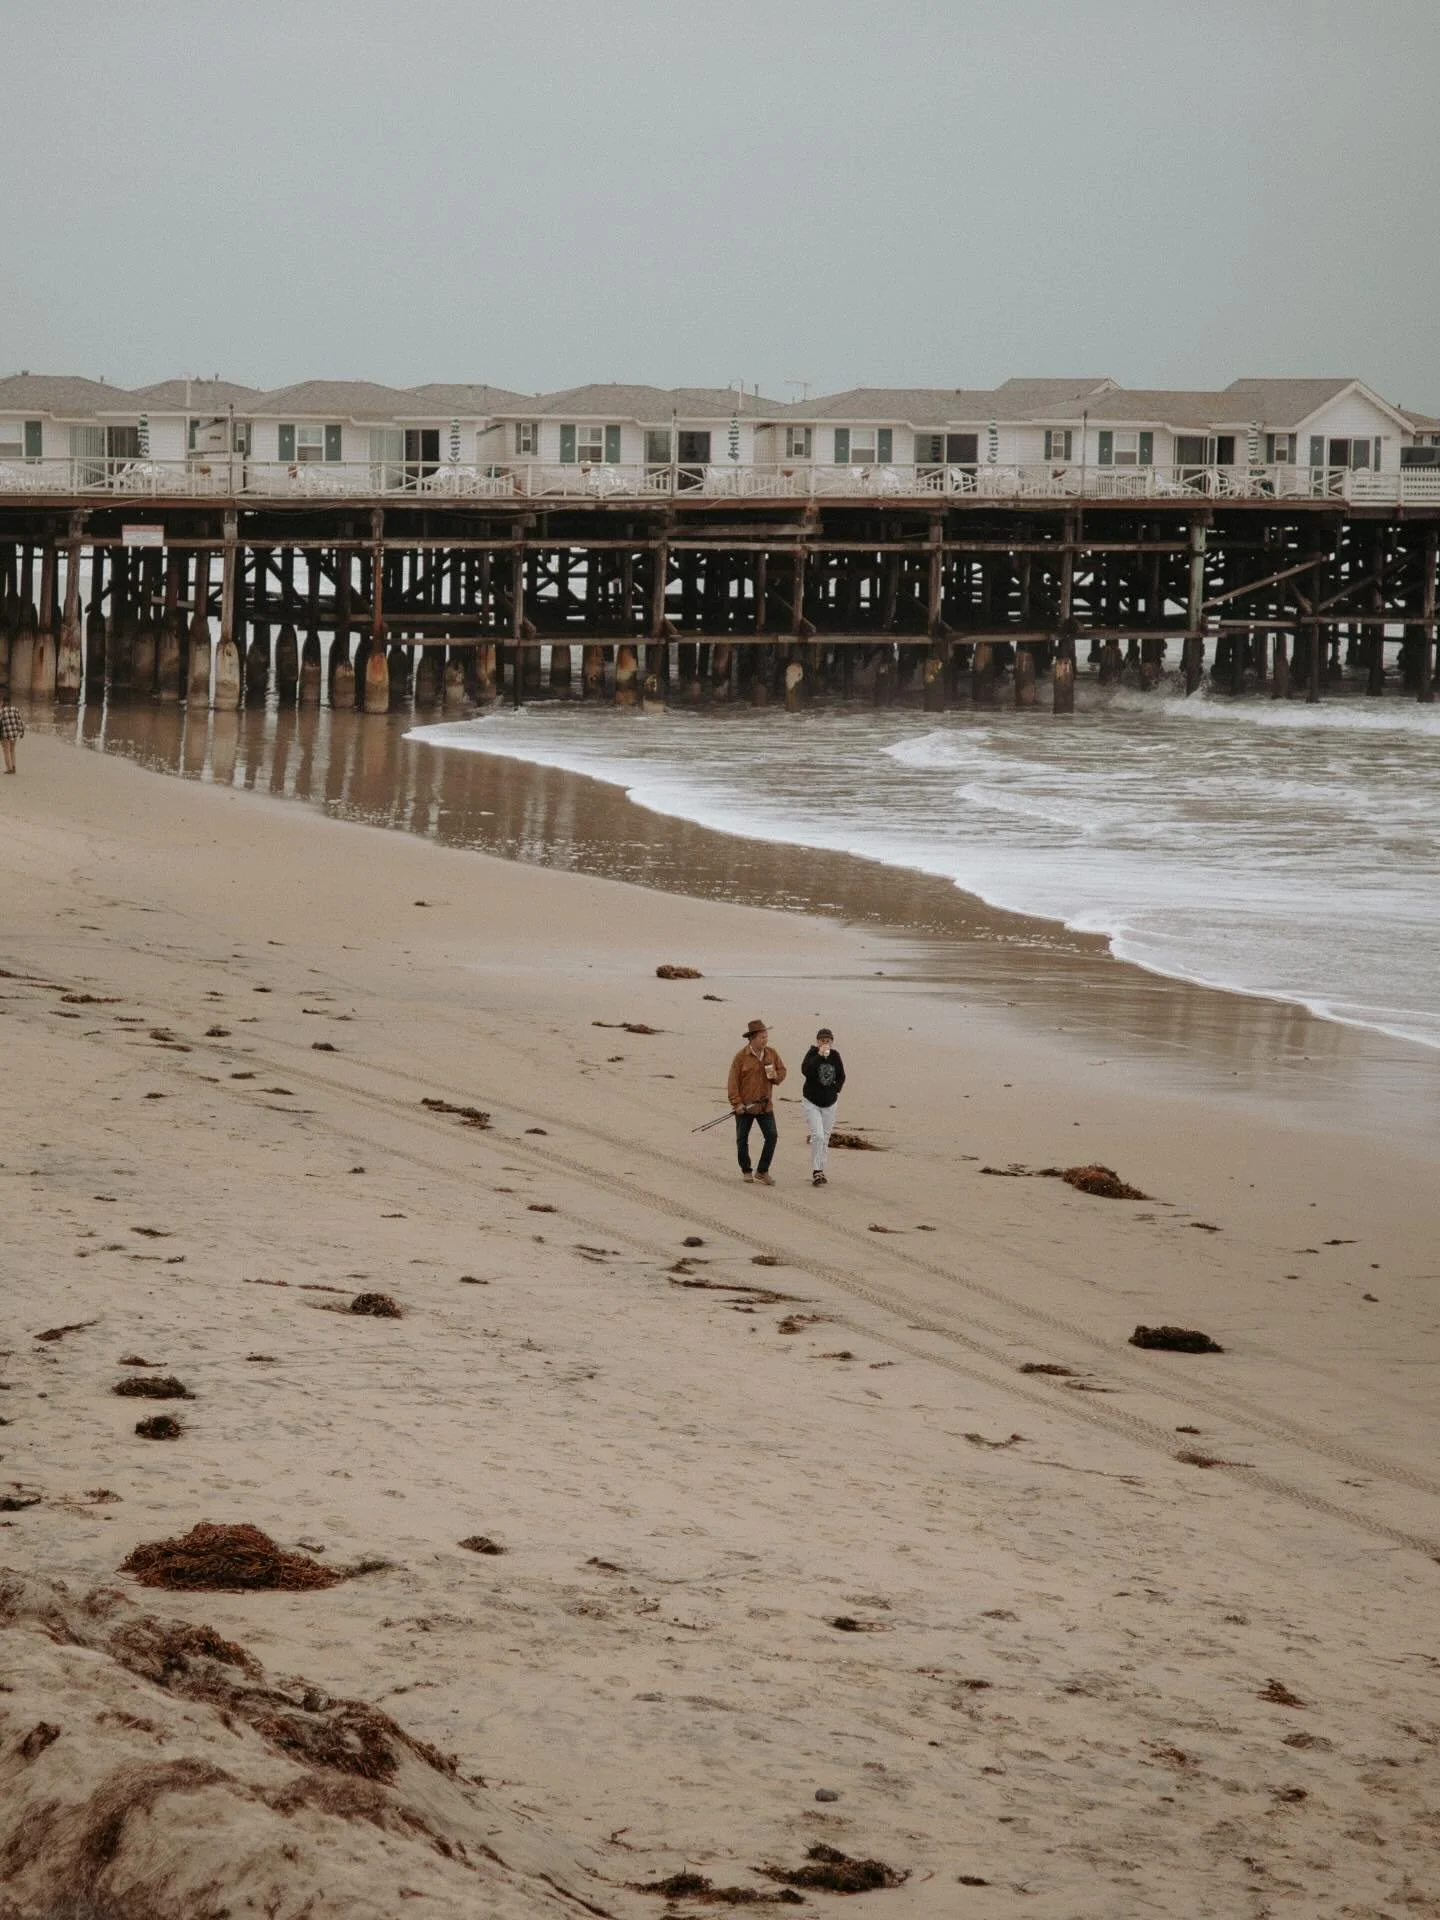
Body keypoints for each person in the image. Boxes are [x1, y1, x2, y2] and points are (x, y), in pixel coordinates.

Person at [727, 1018, 786, 1185]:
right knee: (742, 1139)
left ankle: (762, 1171)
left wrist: (776, 1077)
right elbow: (732, 1083)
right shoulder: (740, 1057)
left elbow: (782, 1071)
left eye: (766, 1036)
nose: (765, 1040)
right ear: (752, 1038)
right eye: (762, 1037)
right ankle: (746, 1170)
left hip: (765, 1105)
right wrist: (737, 1103)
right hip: (745, 1106)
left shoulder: (772, 1054)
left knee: (772, 1136)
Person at [800, 1028, 847, 1186]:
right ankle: (816, 1170)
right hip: (811, 1101)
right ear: (817, 1041)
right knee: (817, 1136)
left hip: (830, 1103)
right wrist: (819, 1056)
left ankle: (820, 1170)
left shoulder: (835, 1056)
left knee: (825, 1137)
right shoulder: (812, 1054)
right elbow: (805, 1070)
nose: (825, 1043)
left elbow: (841, 1076)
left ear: (832, 1041)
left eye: (828, 1041)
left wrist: (836, 1089)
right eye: (822, 1041)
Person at [0, 699, 23, 775]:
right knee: (12, 750)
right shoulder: (15, 709)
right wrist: (21, 732)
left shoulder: (1, 711)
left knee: (6, 751)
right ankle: (13, 767)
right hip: (14, 733)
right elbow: (19, 721)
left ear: (3, 703)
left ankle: (9, 769)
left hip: (5, 734)